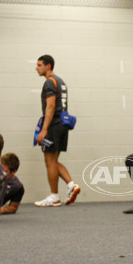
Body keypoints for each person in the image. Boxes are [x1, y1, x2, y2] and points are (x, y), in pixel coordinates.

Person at [34, 54, 80, 207]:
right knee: (53, 161)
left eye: (40, 65)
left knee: (49, 161)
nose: (36, 68)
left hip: (53, 126)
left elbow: (51, 106)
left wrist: (44, 129)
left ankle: (54, 196)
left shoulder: (49, 83)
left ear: (48, 66)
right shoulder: (60, 82)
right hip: (62, 125)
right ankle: (71, 185)